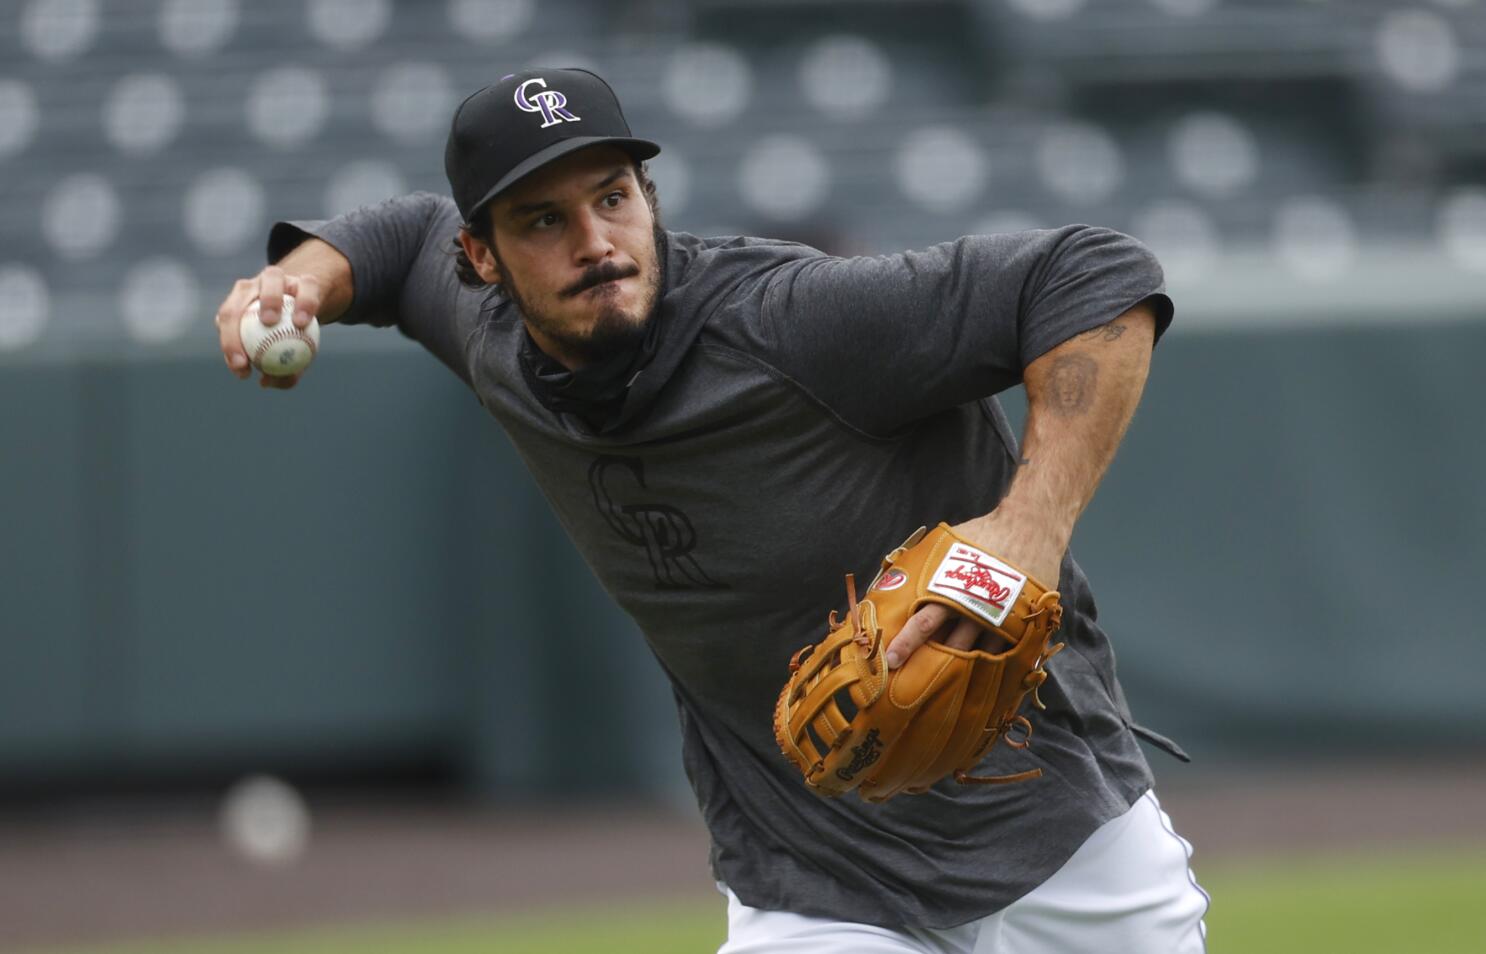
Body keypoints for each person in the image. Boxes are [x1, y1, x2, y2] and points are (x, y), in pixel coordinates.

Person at [215, 68, 1208, 953]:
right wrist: (298, 280)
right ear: (483, 259)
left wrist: (1025, 532)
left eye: (612, 197)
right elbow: (396, 241)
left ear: (649, 197)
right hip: (813, 886)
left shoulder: (789, 322)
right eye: (542, 221)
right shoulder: (485, 331)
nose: (595, 242)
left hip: (1065, 849)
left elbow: (1096, 279)